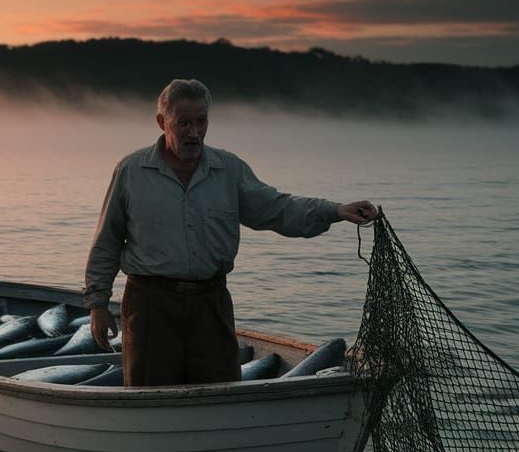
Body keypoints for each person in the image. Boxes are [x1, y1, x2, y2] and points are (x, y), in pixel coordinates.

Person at [82, 78, 378, 387]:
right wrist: (98, 304)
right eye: (183, 123)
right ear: (162, 122)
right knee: (149, 396)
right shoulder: (132, 171)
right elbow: (108, 240)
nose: (194, 133)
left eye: (201, 122)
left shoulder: (229, 170)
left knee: (222, 391)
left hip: (211, 304)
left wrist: (335, 210)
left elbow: (278, 209)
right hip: (150, 305)